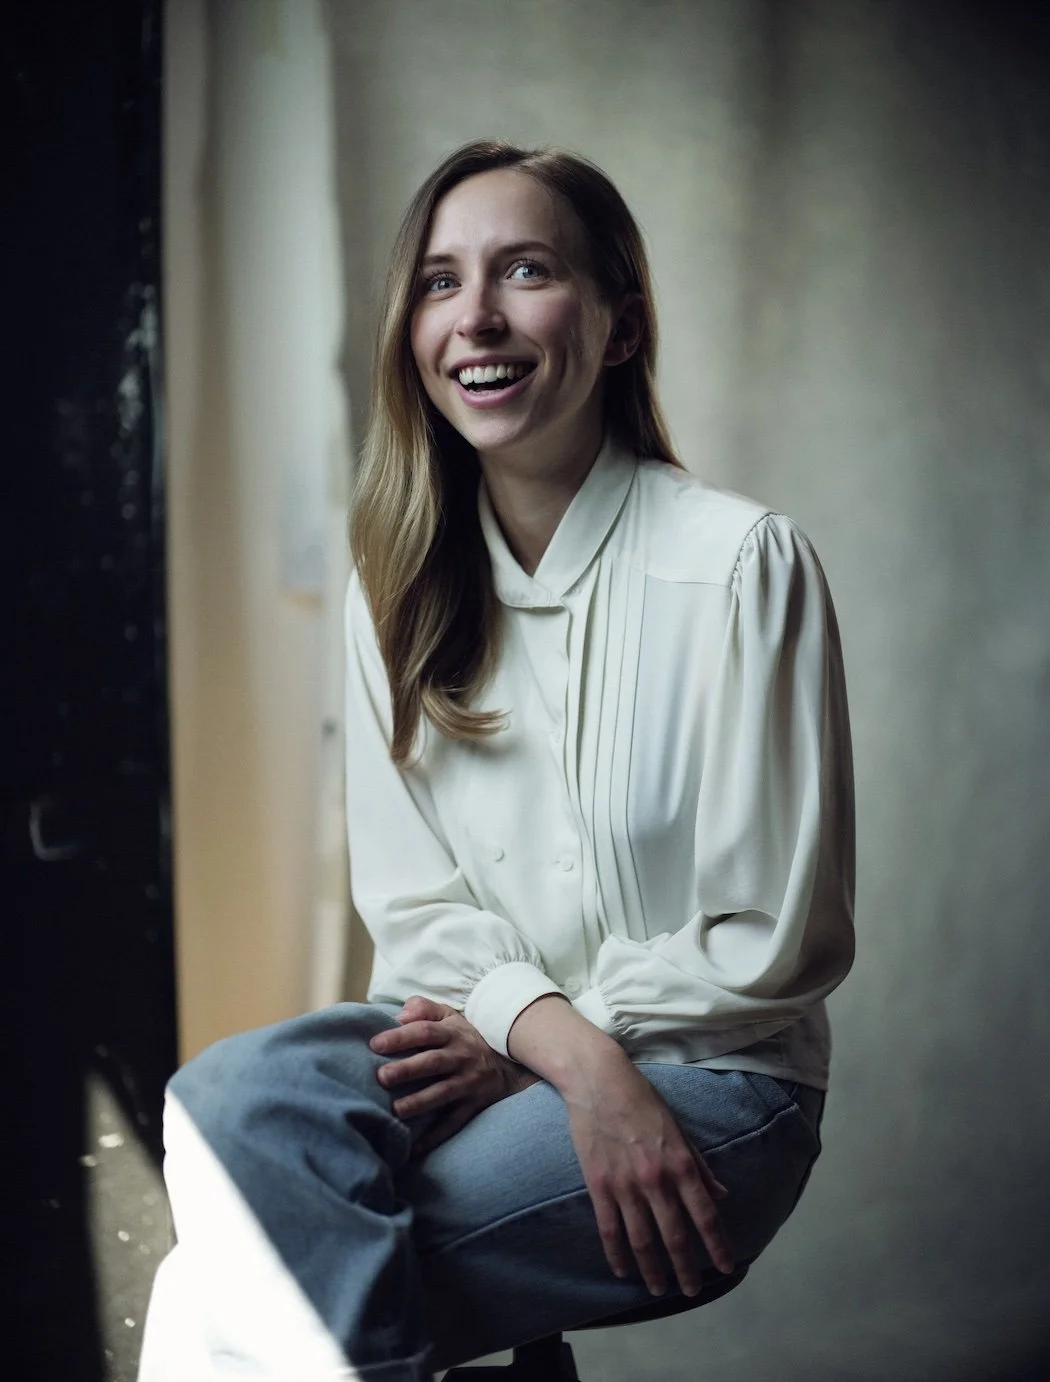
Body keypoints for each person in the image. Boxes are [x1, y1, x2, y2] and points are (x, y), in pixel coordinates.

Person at [138, 140, 855, 1382]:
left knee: (222, 1294)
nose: (475, 316)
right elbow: (418, 908)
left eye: (525, 270)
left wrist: (562, 1042)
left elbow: (775, 934)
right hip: (503, 1040)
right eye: (437, 281)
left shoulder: (742, 567)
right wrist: (554, 1044)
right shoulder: (398, 584)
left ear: (621, 327)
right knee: (228, 1099)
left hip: (709, 1080)